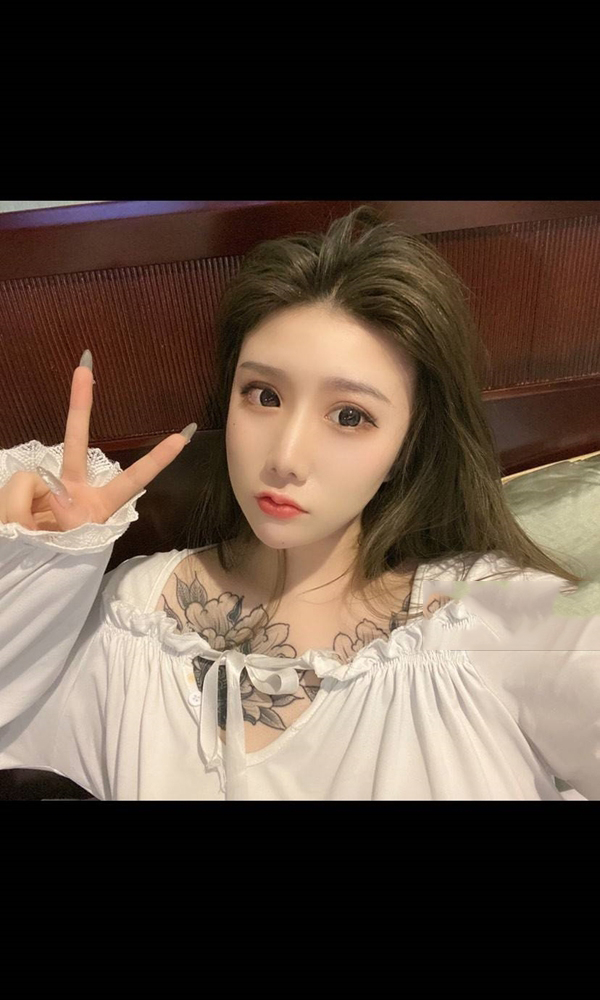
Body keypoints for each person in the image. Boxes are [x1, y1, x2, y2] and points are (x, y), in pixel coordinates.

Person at [0, 206, 598, 801]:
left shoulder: (493, 617)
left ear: (409, 443)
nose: (285, 457)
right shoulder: (134, 613)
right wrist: (40, 565)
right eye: (264, 395)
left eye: (350, 416)